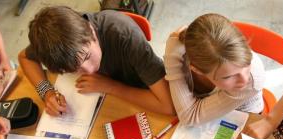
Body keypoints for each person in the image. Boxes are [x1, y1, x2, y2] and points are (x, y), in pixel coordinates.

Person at [18, 6, 175, 117]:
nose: (89, 70)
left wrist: (110, 86)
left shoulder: (123, 35)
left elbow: (168, 105)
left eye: (86, 56)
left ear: (91, 30)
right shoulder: (55, 42)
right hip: (104, 102)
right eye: (74, 70)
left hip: (140, 92)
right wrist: (47, 92)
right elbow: (24, 57)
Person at [164, 13, 265, 125]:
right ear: (197, 70)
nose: (244, 79)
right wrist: (174, 54)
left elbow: (189, 117)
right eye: (228, 76)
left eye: (246, 63)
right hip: (205, 107)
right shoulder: (191, 51)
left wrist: (172, 58)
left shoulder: (251, 80)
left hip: (243, 117)